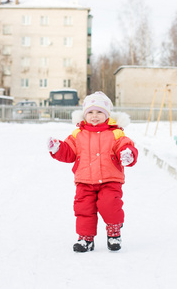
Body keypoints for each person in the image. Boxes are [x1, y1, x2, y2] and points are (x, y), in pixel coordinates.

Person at [47, 91, 138, 252]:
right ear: (84, 114)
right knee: (83, 209)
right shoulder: (78, 134)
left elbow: (125, 146)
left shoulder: (116, 133)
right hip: (84, 180)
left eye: (99, 112)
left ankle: (114, 233)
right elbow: (69, 152)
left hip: (110, 179)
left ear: (107, 115)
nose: (94, 116)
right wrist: (58, 148)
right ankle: (85, 239)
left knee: (110, 205)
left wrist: (128, 154)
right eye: (90, 112)